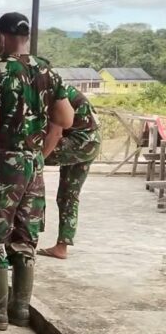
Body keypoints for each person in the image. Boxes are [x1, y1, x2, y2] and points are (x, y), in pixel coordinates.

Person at [0, 12, 74, 331]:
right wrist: (39, 153)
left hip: (3, 165)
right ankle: (21, 309)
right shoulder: (48, 73)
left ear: (2, 36)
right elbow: (64, 119)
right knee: (25, 238)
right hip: (33, 166)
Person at [38, 85, 101, 260]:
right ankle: (62, 246)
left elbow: (55, 133)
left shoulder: (53, 91)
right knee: (68, 195)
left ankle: (31, 232)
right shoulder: (56, 87)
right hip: (91, 142)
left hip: (79, 142)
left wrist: (38, 160)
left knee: (25, 161)